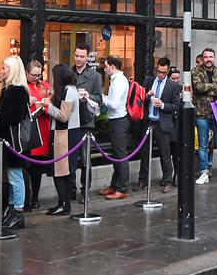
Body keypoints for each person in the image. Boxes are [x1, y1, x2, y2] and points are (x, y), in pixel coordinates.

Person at [0, 56, 30, 230]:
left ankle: (18, 211)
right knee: (12, 176)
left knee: (15, 177)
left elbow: (15, 116)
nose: (2, 70)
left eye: (5, 68)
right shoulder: (9, 89)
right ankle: (13, 208)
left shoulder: (17, 90)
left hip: (12, 141)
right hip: (6, 140)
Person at [42, 63, 81, 215]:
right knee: (60, 171)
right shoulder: (67, 90)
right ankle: (62, 202)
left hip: (65, 135)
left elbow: (63, 116)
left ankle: (64, 204)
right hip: (61, 134)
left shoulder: (69, 91)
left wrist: (48, 105)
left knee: (60, 171)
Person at [136, 57, 180, 192]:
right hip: (148, 121)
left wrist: (162, 105)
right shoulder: (149, 81)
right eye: (159, 72)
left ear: (167, 71)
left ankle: (167, 181)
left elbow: (176, 105)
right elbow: (140, 98)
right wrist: (147, 96)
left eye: (164, 73)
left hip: (162, 122)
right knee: (144, 153)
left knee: (165, 153)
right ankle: (142, 180)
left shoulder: (172, 86)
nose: (160, 75)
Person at [193, 48, 217, 185]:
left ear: (214, 58)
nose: (208, 59)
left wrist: (207, 89)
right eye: (206, 57)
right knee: (203, 145)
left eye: (211, 56)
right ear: (202, 58)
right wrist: (213, 87)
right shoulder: (195, 71)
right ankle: (204, 172)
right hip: (202, 112)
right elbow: (198, 87)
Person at [72, 43, 103, 201]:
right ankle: (70, 189)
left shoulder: (95, 76)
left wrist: (88, 96)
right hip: (70, 120)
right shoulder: (68, 73)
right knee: (70, 158)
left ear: (87, 58)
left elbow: (99, 98)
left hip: (86, 121)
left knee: (85, 159)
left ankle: (85, 190)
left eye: (81, 56)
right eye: (76, 55)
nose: (78, 59)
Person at [98, 56, 131, 200]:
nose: (104, 69)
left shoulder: (118, 82)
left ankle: (122, 188)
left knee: (120, 156)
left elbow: (114, 104)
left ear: (112, 66)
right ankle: (115, 185)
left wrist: (100, 97)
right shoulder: (117, 80)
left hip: (119, 120)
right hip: (116, 120)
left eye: (105, 66)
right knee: (117, 155)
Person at [25, 59, 52, 210]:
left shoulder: (45, 86)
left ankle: (35, 196)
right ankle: (26, 196)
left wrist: (45, 106)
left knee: (37, 168)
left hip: (42, 128)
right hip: (28, 129)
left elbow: (51, 105)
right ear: (27, 73)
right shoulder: (23, 86)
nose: (36, 77)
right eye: (33, 75)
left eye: (38, 74)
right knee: (26, 166)